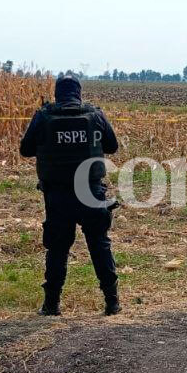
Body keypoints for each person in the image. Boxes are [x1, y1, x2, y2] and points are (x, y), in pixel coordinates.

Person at [20, 76, 122, 316]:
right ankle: (112, 302)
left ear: (57, 94)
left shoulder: (44, 117)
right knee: (99, 245)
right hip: (91, 191)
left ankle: (51, 305)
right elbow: (112, 146)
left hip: (57, 195)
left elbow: (25, 150)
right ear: (79, 93)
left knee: (57, 249)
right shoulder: (95, 115)